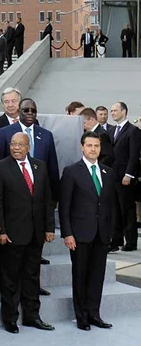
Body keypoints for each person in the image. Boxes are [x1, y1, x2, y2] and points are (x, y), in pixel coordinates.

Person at [0, 133, 55, 333]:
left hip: (36, 232)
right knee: (11, 278)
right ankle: (10, 318)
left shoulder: (40, 166)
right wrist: (1, 229)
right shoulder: (0, 168)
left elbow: (47, 199)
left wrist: (49, 227)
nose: (16, 147)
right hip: (12, 233)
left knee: (32, 276)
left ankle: (32, 316)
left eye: (20, 144)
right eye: (13, 143)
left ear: (28, 146)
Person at [60, 131, 116, 331]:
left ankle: (95, 314)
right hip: (80, 234)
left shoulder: (108, 172)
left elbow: (110, 205)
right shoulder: (71, 171)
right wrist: (67, 233)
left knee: (97, 276)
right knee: (80, 275)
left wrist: (111, 232)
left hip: (101, 234)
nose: (93, 149)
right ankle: (81, 316)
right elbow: (65, 206)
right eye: (90, 145)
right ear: (82, 147)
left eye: (97, 146)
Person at [0, 98, 59, 203]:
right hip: (12, 195)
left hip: (39, 196)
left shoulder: (46, 135)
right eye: (26, 110)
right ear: (18, 112)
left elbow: (52, 168)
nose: (30, 113)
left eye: (33, 111)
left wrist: (54, 198)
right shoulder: (4, 133)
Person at [109, 102, 140, 252]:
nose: (112, 113)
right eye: (111, 111)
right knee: (115, 209)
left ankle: (131, 241)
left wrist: (129, 174)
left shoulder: (133, 130)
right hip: (113, 177)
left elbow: (134, 154)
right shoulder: (113, 130)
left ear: (124, 111)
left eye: (115, 110)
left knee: (127, 209)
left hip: (125, 177)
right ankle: (116, 240)